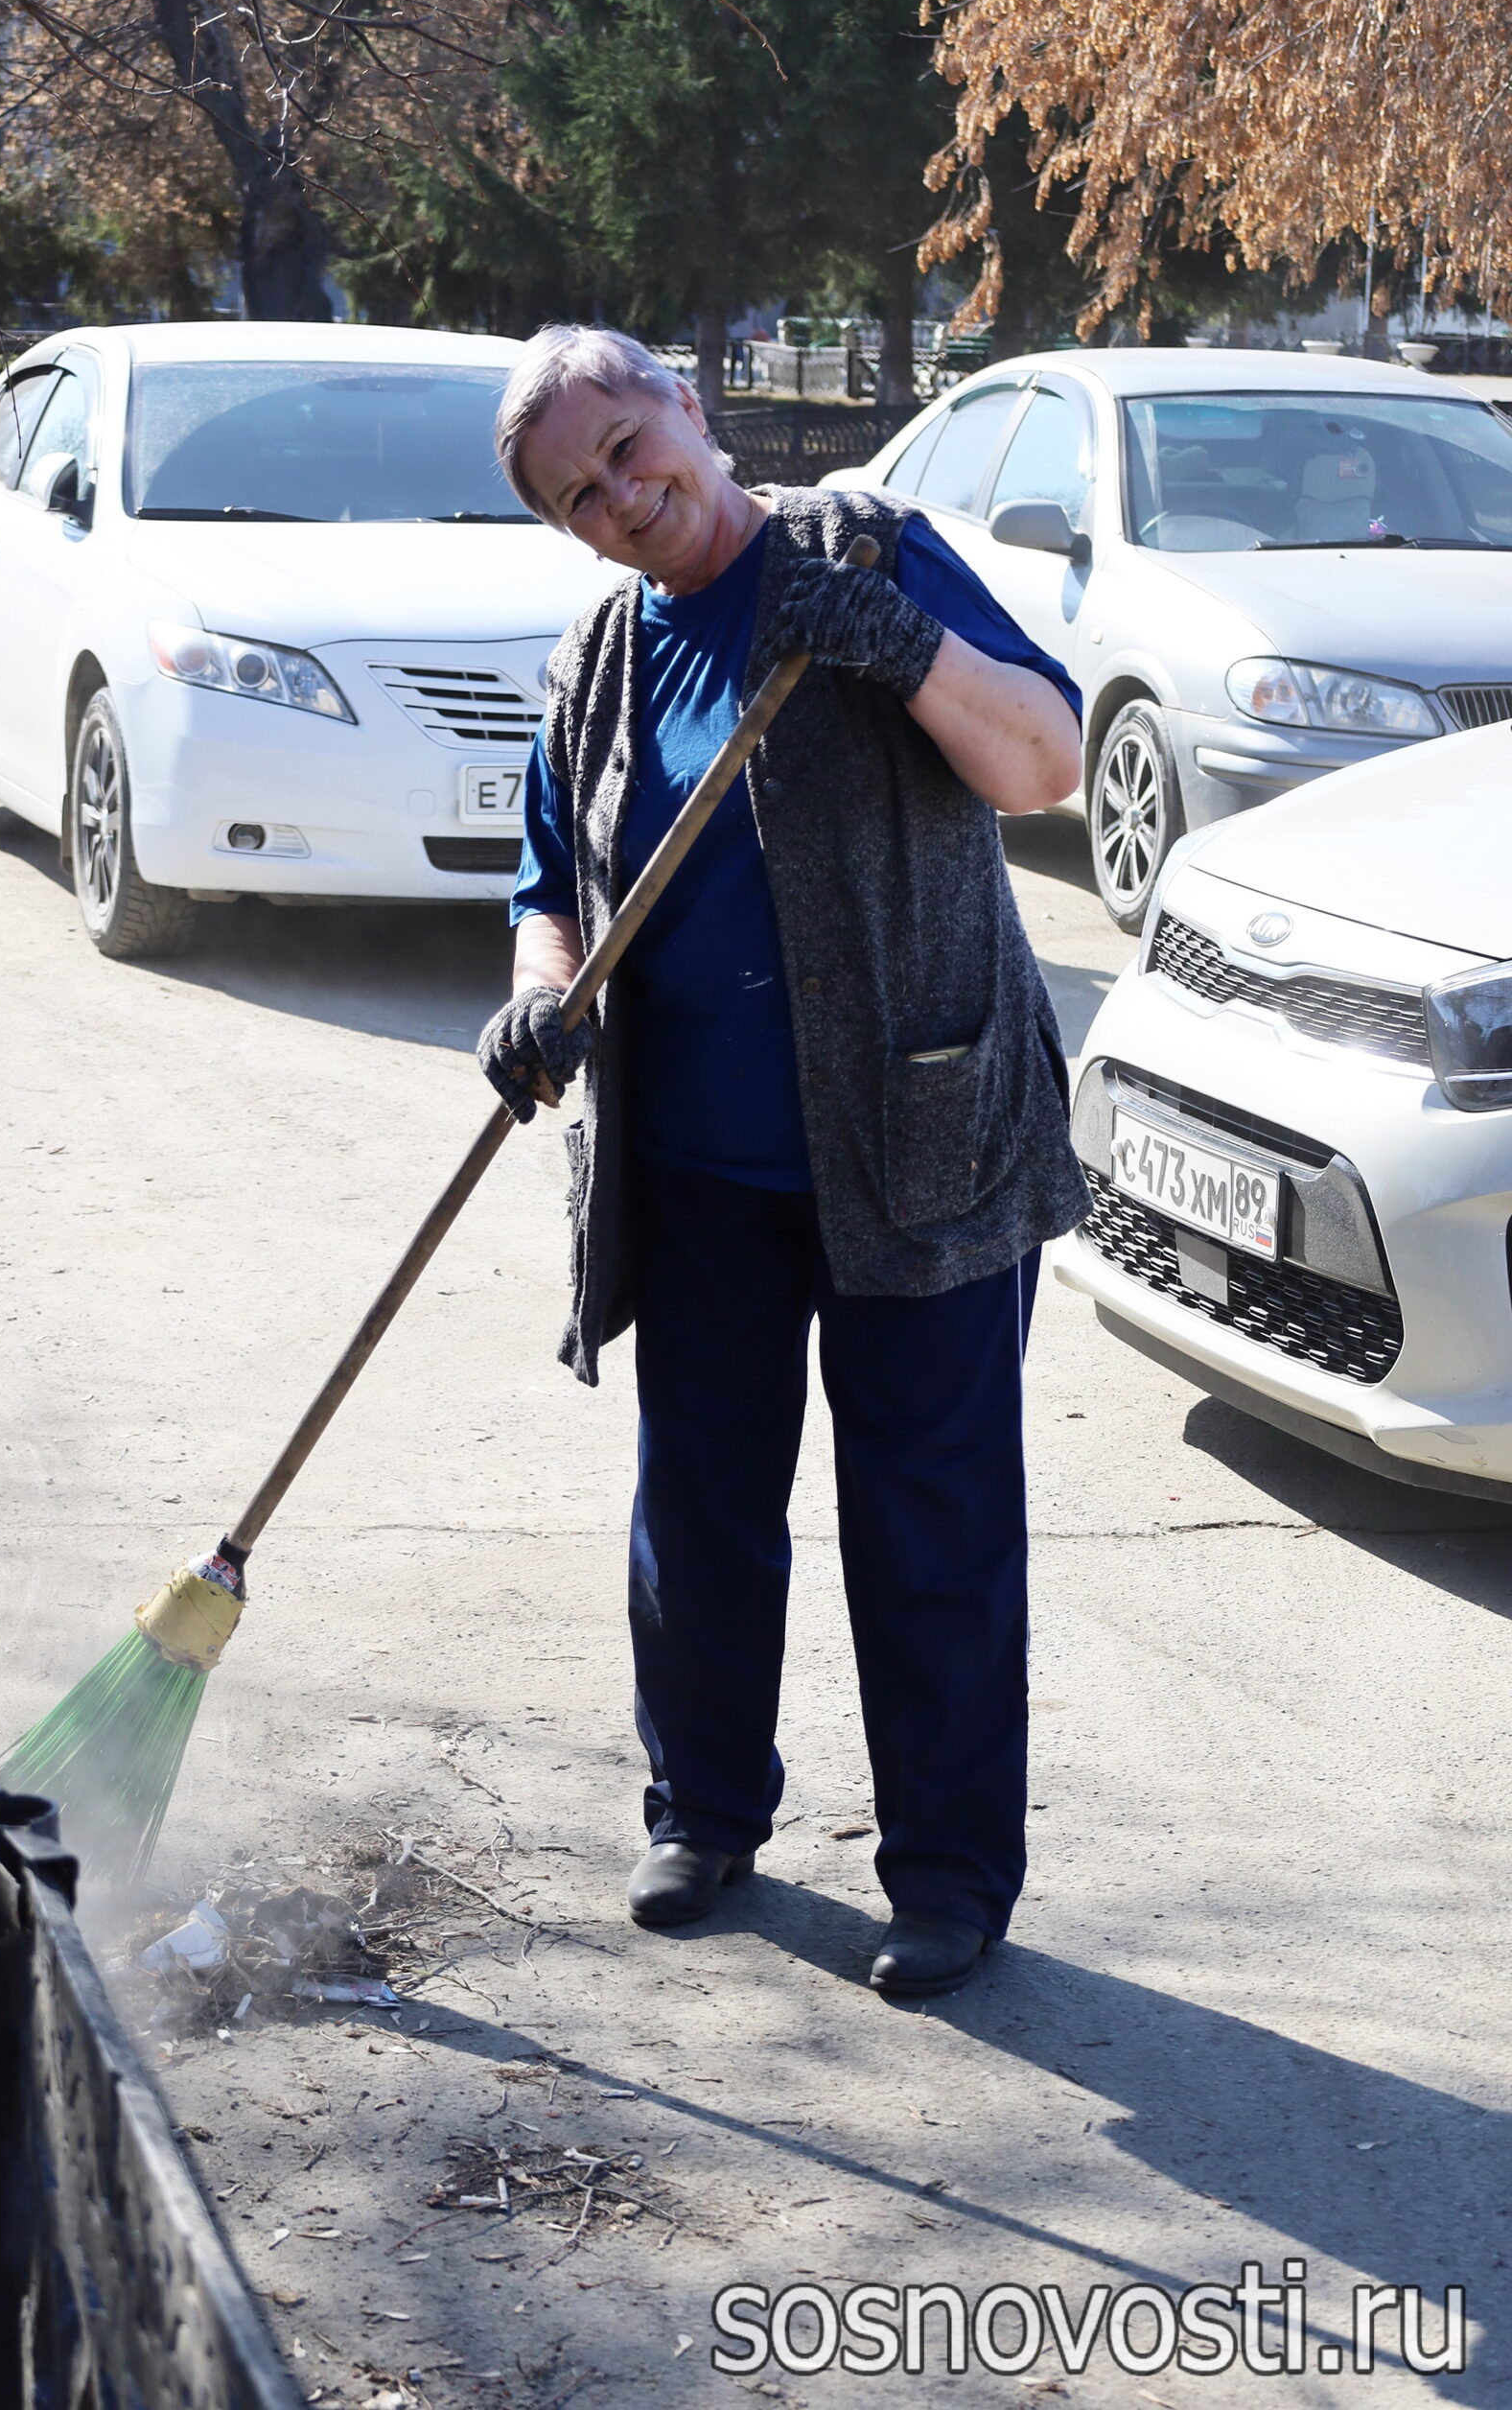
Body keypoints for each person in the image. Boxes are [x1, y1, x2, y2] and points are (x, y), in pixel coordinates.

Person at [477, 326, 1090, 1999]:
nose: (620, 497)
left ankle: (949, 1879)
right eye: (578, 496)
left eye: (625, 447)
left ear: (686, 406)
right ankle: (704, 1811)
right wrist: (539, 997)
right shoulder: (603, 657)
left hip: (921, 1146)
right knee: (701, 1509)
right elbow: (551, 884)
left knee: (930, 1525)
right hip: (700, 1173)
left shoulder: (862, 552)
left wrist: (902, 650)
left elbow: (1045, 762)